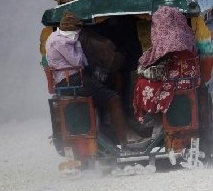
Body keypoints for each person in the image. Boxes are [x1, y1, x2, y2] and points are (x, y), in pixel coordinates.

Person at [45, 11, 146, 148]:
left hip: (75, 78)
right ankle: (126, 139)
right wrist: (78, 45)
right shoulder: (61, 42)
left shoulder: (55, 37)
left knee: (115, 77)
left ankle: (119, 122)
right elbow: (79, 62)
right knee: (114, 100)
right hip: (74, 81)